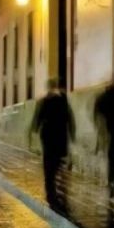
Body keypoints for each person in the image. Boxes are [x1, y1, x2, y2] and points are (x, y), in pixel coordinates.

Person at [29, 77, 74, 209]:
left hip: (48, 137)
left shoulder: (44, 101)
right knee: (58, 164)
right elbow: (70, 118)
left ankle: (51, 194)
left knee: (49, 167)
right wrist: (72, 133)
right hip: (60, 137)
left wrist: (33, 131)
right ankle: (58, 192)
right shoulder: (63, 100)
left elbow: (37, 119)